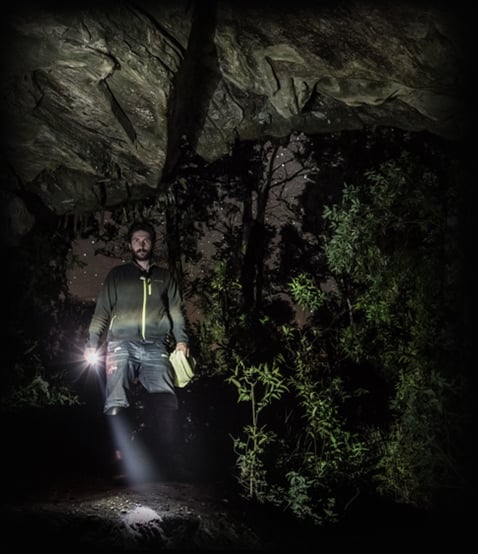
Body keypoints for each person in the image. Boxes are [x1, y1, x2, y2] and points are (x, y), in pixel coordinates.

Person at [84, 220, 189, 482]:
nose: (141, 244)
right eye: (136, 240)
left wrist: (181, 340)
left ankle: (167, 461)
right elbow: (101, 312)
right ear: (130, 244)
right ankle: (117, 460)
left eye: (146, 240)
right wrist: (92, 343)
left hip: (156, 345)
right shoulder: (117, 275)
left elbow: (176, 311)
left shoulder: (165, 276)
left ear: (152, 243)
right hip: (121, 344)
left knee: (166, 399)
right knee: (116, 400)